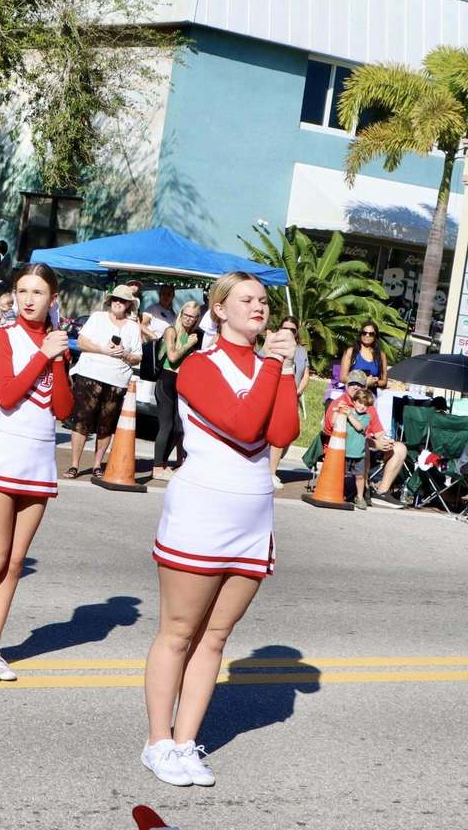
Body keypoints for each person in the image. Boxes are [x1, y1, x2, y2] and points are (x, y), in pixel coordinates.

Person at [142, 271, 299, 787]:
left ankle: (186, 742)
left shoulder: (268, 366)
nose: (259, 307)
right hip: (202, 511)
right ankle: (158, 741)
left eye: (263, 300)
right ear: (219, 309)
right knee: (178, 632)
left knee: (215, 637)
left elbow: (282, 431)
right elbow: (244, 424)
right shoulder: (199, 365)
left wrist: (282, 370)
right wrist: (273, 365)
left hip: (252, 515)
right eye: (246, 299)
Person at [0, 263, 73, 681]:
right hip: (6, 454)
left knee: (14, 562)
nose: (29, 299)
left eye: (38, 292)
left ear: (52, 299)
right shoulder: (5, 336)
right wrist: (43, 356)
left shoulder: (56, 342)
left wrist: (56, 358)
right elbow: (6, 395)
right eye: (23, 291)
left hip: (40, 460)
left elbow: (63, 408)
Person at [64, 285, 143, 478]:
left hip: (117, 380)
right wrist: (102, 349)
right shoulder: (97, 317)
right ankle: (74, 465)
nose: (118, 302)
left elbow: (138, 357)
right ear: (110, 301)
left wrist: (124, 353)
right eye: (115, 299)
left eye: (123, 300)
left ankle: (97, 465)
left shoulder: (133, 327)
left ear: (129, 305)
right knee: (81, 421)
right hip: (90, 375)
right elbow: (81, 342)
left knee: (106, 425)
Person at [323, 369, 406, 508]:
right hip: (341, 449)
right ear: (346, 385)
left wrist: (386, 441)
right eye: (352, 384)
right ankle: (364, 491)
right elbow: (337, 433)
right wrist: (375, 443)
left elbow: (379, 432)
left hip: (363, 447)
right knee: (364, 446)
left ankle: (382, 491)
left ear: (365, 387)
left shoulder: (368, 407)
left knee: (400, 448)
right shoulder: (339, 404)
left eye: (360, 385)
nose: (356, 387)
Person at [152, 301, 202, 481]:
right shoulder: (171, 331)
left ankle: (163, 463)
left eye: (193, 317)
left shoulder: (194, 335)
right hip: (166, 380)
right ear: (181, 314)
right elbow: (172, 356)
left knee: (179, 428)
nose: (188, 319)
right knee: (166, 425)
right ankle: (157, 467)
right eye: (186, 315)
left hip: (182, 383)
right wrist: (188, 345)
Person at [267, 316, 310, 489]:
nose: (288, 332)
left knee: (289, 435)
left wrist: (298, 391)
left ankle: (271, 468)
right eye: (285, 328)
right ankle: (270, 472)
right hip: (275, 396)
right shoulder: (273, 344)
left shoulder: (301, 351)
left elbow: (305, 373)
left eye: (292, 329)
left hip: (293, 396)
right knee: (278, 434)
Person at [339, 387, 375, 509]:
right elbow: (334, 421)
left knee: (360, 477)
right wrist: (339, 409)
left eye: (365, 405)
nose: (362, 406)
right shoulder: (347, 411)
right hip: (344, 451)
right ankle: (339, 493)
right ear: (354, 401)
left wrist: (349, 415)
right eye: (360, 402)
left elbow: (359, 427)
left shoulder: (366, 417)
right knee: (341, 474)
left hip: (359, 453)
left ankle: (359, 497)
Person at [340, 321, 388, 391]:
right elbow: (343, 378)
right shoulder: (351, 351)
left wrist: (374, 383)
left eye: (371, 334)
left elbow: (384, 381)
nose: (367, 335)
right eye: (364, 333)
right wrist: (363, 381)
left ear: (375, 336)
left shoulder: (381, 355)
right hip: (352, 393)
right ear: (360, 334)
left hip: (370, 394)